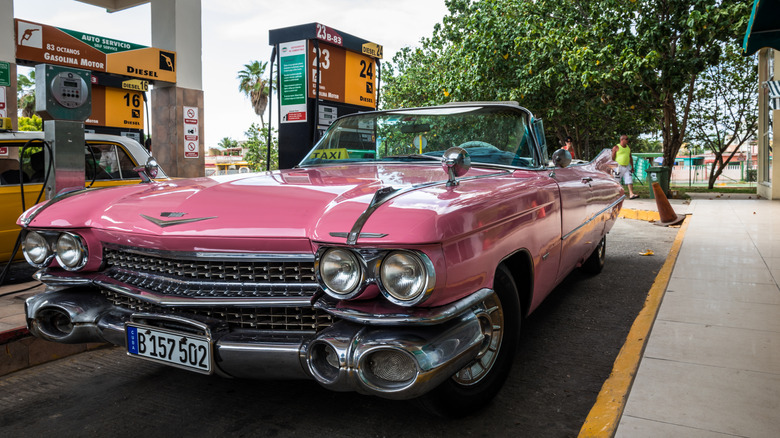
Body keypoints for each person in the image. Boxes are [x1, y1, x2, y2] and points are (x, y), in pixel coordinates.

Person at [612, 135, 638, 199]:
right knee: (617, 181)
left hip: (627, 166)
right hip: (618, 166)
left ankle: (631, 194)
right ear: (622, 140)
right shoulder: (616, 147)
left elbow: (630, 157)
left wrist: (632, 166)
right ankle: (616, 195)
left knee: (629, 179)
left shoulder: (628, 148)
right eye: (626, 139)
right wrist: (612, 167)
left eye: (627, 139)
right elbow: (612, 158)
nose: (627, 140)